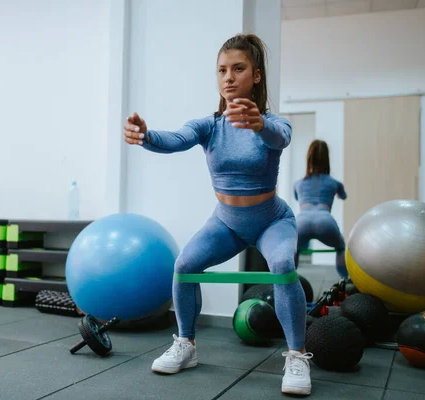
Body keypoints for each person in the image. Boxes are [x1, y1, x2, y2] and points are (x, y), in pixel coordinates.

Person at [123, 33, 312, 396]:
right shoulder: (209, 125)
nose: (228, 77)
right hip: (226, 221)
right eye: (221, 70)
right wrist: (146, 136)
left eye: (238, 68)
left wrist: (260, 124)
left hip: (273, 220)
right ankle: (186, 345)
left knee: (283, 267)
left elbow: (280, 138)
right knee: (184, 264)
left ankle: (297, 356)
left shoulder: (273, 122)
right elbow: (176, 139)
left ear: (256, 75)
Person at [293, 139, 348, 278]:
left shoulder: (298, 184)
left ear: (309, 158)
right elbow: (344, 196)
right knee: (341, 247)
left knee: (293, 249)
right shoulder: (334, 183)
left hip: (302, 222)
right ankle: (345, 281)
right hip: (325, 221)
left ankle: (288, 281)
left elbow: (297, 197)